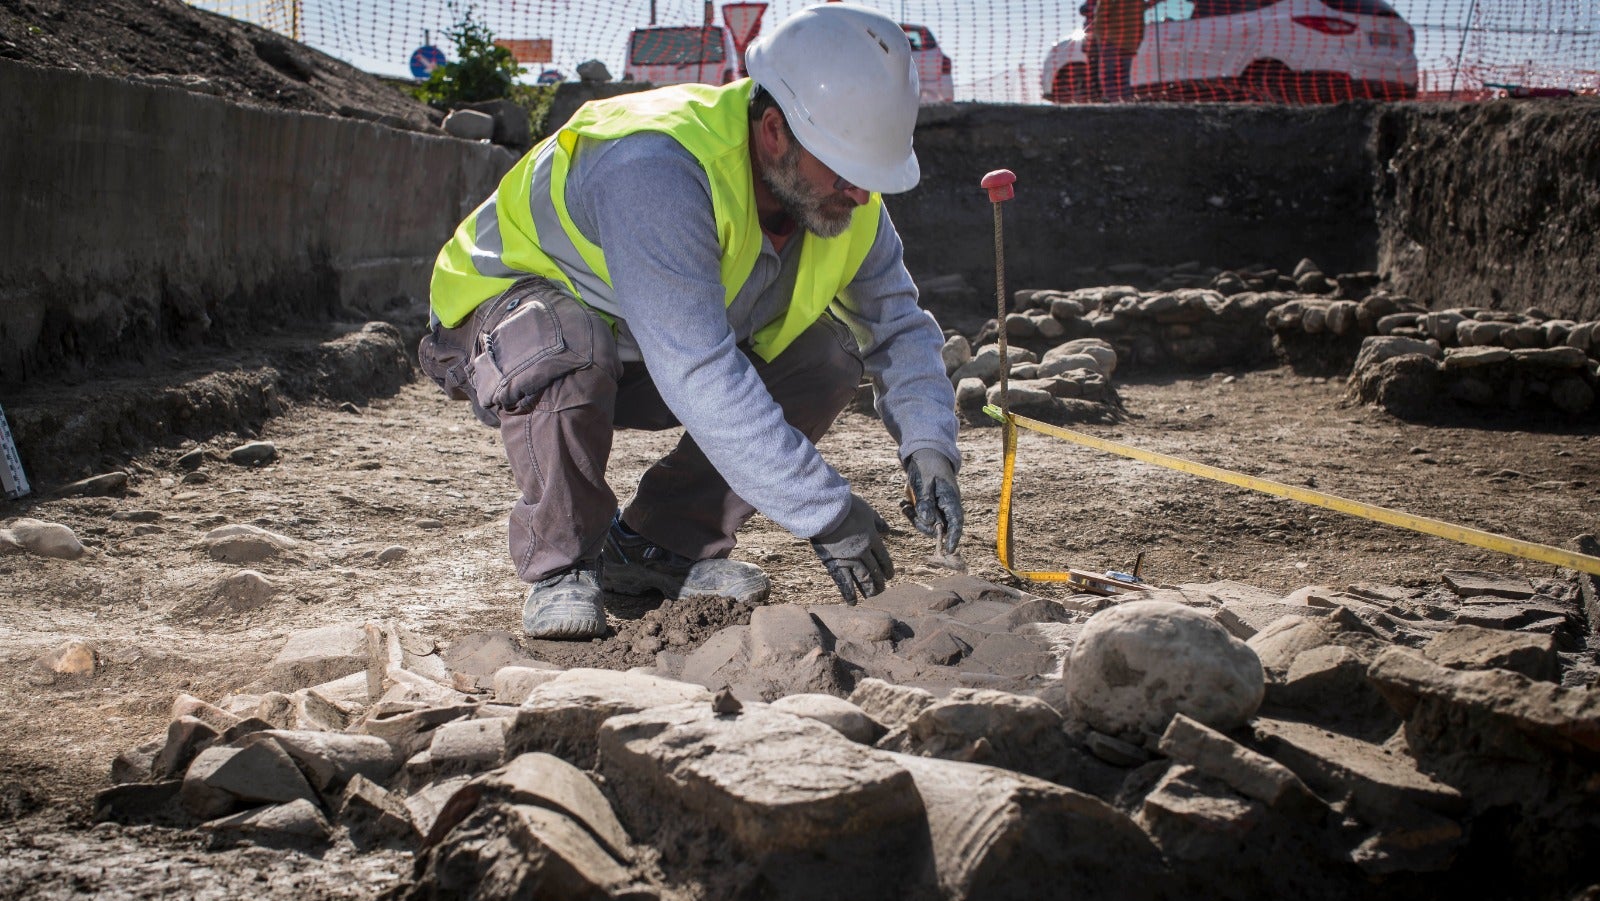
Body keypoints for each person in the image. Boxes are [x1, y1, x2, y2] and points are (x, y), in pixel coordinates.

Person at [417, 3, 964, 640]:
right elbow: (697, 367)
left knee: (827, 359)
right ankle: (563, 566)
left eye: (872, 175)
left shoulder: (847, 199)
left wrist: (930, 450)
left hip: (645, 349)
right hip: (501, 332)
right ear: (774, 133)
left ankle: (655, 548)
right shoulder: (656, 165)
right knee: (570, 340)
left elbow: (898, 327)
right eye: (847, 170)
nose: (863, 194)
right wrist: (827, 511)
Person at [1089, 0, 1158, 102]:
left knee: (1109, 73)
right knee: (1123, 74)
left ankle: (1114, 100)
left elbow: (1101, 14)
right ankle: (1125, 99)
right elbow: (1140, 21)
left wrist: (1098, 35)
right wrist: (1137, 41)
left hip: (1111, 39)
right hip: (1128, 41)